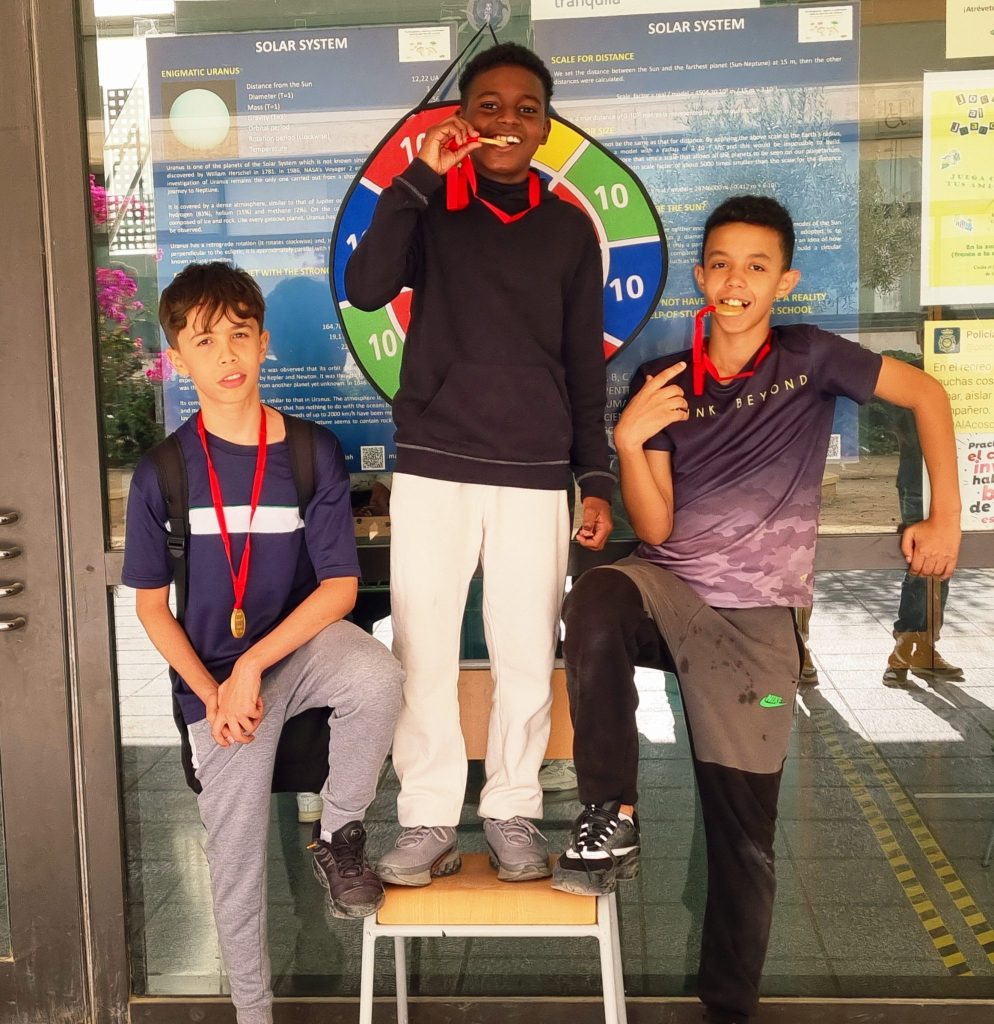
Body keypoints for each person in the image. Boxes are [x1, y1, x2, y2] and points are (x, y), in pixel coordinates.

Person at [552, 196, 961, 1024]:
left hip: (756, 627)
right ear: (701, 275)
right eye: (721, 264)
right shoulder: (664, 382)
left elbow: (927, 395)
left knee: (744, 837)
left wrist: (943, 516)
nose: (735, 281)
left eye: (756, 266)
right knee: (594, 596)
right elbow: (655, 529)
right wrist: (628, 442)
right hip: (667, 593)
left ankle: (728, 1005)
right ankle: (611, 811)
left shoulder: (810, 358)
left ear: (785, 281)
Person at [344, 42, 614, 885]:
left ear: (546, 126)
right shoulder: (428, 207)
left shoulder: (569, 229)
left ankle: (511, 811)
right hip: (435, 465)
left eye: (526, 108)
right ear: (464, 118)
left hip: (534, 470)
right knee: (422, 649)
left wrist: (595, 477)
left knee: (526, 654)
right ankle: (427, 817)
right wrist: (419, 177)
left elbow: (584, 365)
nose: (507, 121)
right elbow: (364, 286)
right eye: (488, 105)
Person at [122, 262, 404, 1024]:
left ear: (264, 342)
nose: (227, 354)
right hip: (214, 689)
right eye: (204, 339)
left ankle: (338, 831)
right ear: (177, 358)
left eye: (240, 334)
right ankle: (253, 1013)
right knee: (236, 862)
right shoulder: (164, 473)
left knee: (378, 676)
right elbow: (150, 607)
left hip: (294, 654)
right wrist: (215, 690)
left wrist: (253, 661)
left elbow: (339, 589)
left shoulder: (310, 452)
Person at [883, 376, 963, 685]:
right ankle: (905, 648)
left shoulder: (960, 377)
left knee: (939, 565)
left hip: (952, 476)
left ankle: (924, 648)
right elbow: (902, 433)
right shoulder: (912, 379)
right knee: (922, 562)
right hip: (918, 475)